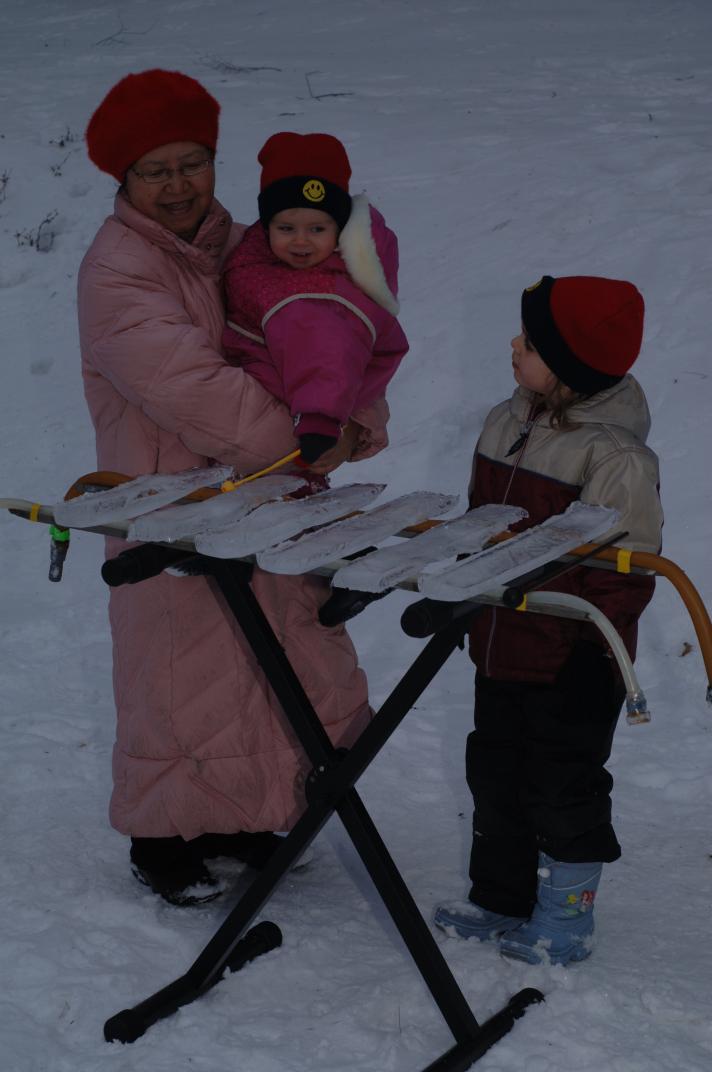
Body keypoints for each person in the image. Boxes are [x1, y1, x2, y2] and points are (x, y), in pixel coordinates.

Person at [79, 69, 390, 905]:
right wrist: (310, 439)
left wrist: (357, 416)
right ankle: (163, 839)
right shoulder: (118, 271)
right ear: (124, 178)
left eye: (192, 163)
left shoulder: (255, 242)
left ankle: (245, 819)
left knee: (265, 662)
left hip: (269, 501)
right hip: (171, 506)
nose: (178, 185)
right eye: (155, 171)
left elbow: (338, 325)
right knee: (180, 675)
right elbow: (192, 390)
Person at [434, 275, 663, 965]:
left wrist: (587, 645)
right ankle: (501, 897)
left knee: (562, 785)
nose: (514, 344)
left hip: (573, 655)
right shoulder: (506, 421)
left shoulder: (615, 456)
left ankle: (566, 916)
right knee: (495, 774)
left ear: (570, 367)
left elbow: (624, 574)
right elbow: (481, 522)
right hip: (502, 641)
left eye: (531, 343)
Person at [222, 131, 408, 466]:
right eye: (286, 228)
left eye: (317, 229)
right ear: (266, 226)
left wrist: (320, 422)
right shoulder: (259, 257)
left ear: (339, 229)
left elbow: (327, 353)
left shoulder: (324, 294)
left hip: (313, 420)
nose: (301, 241)